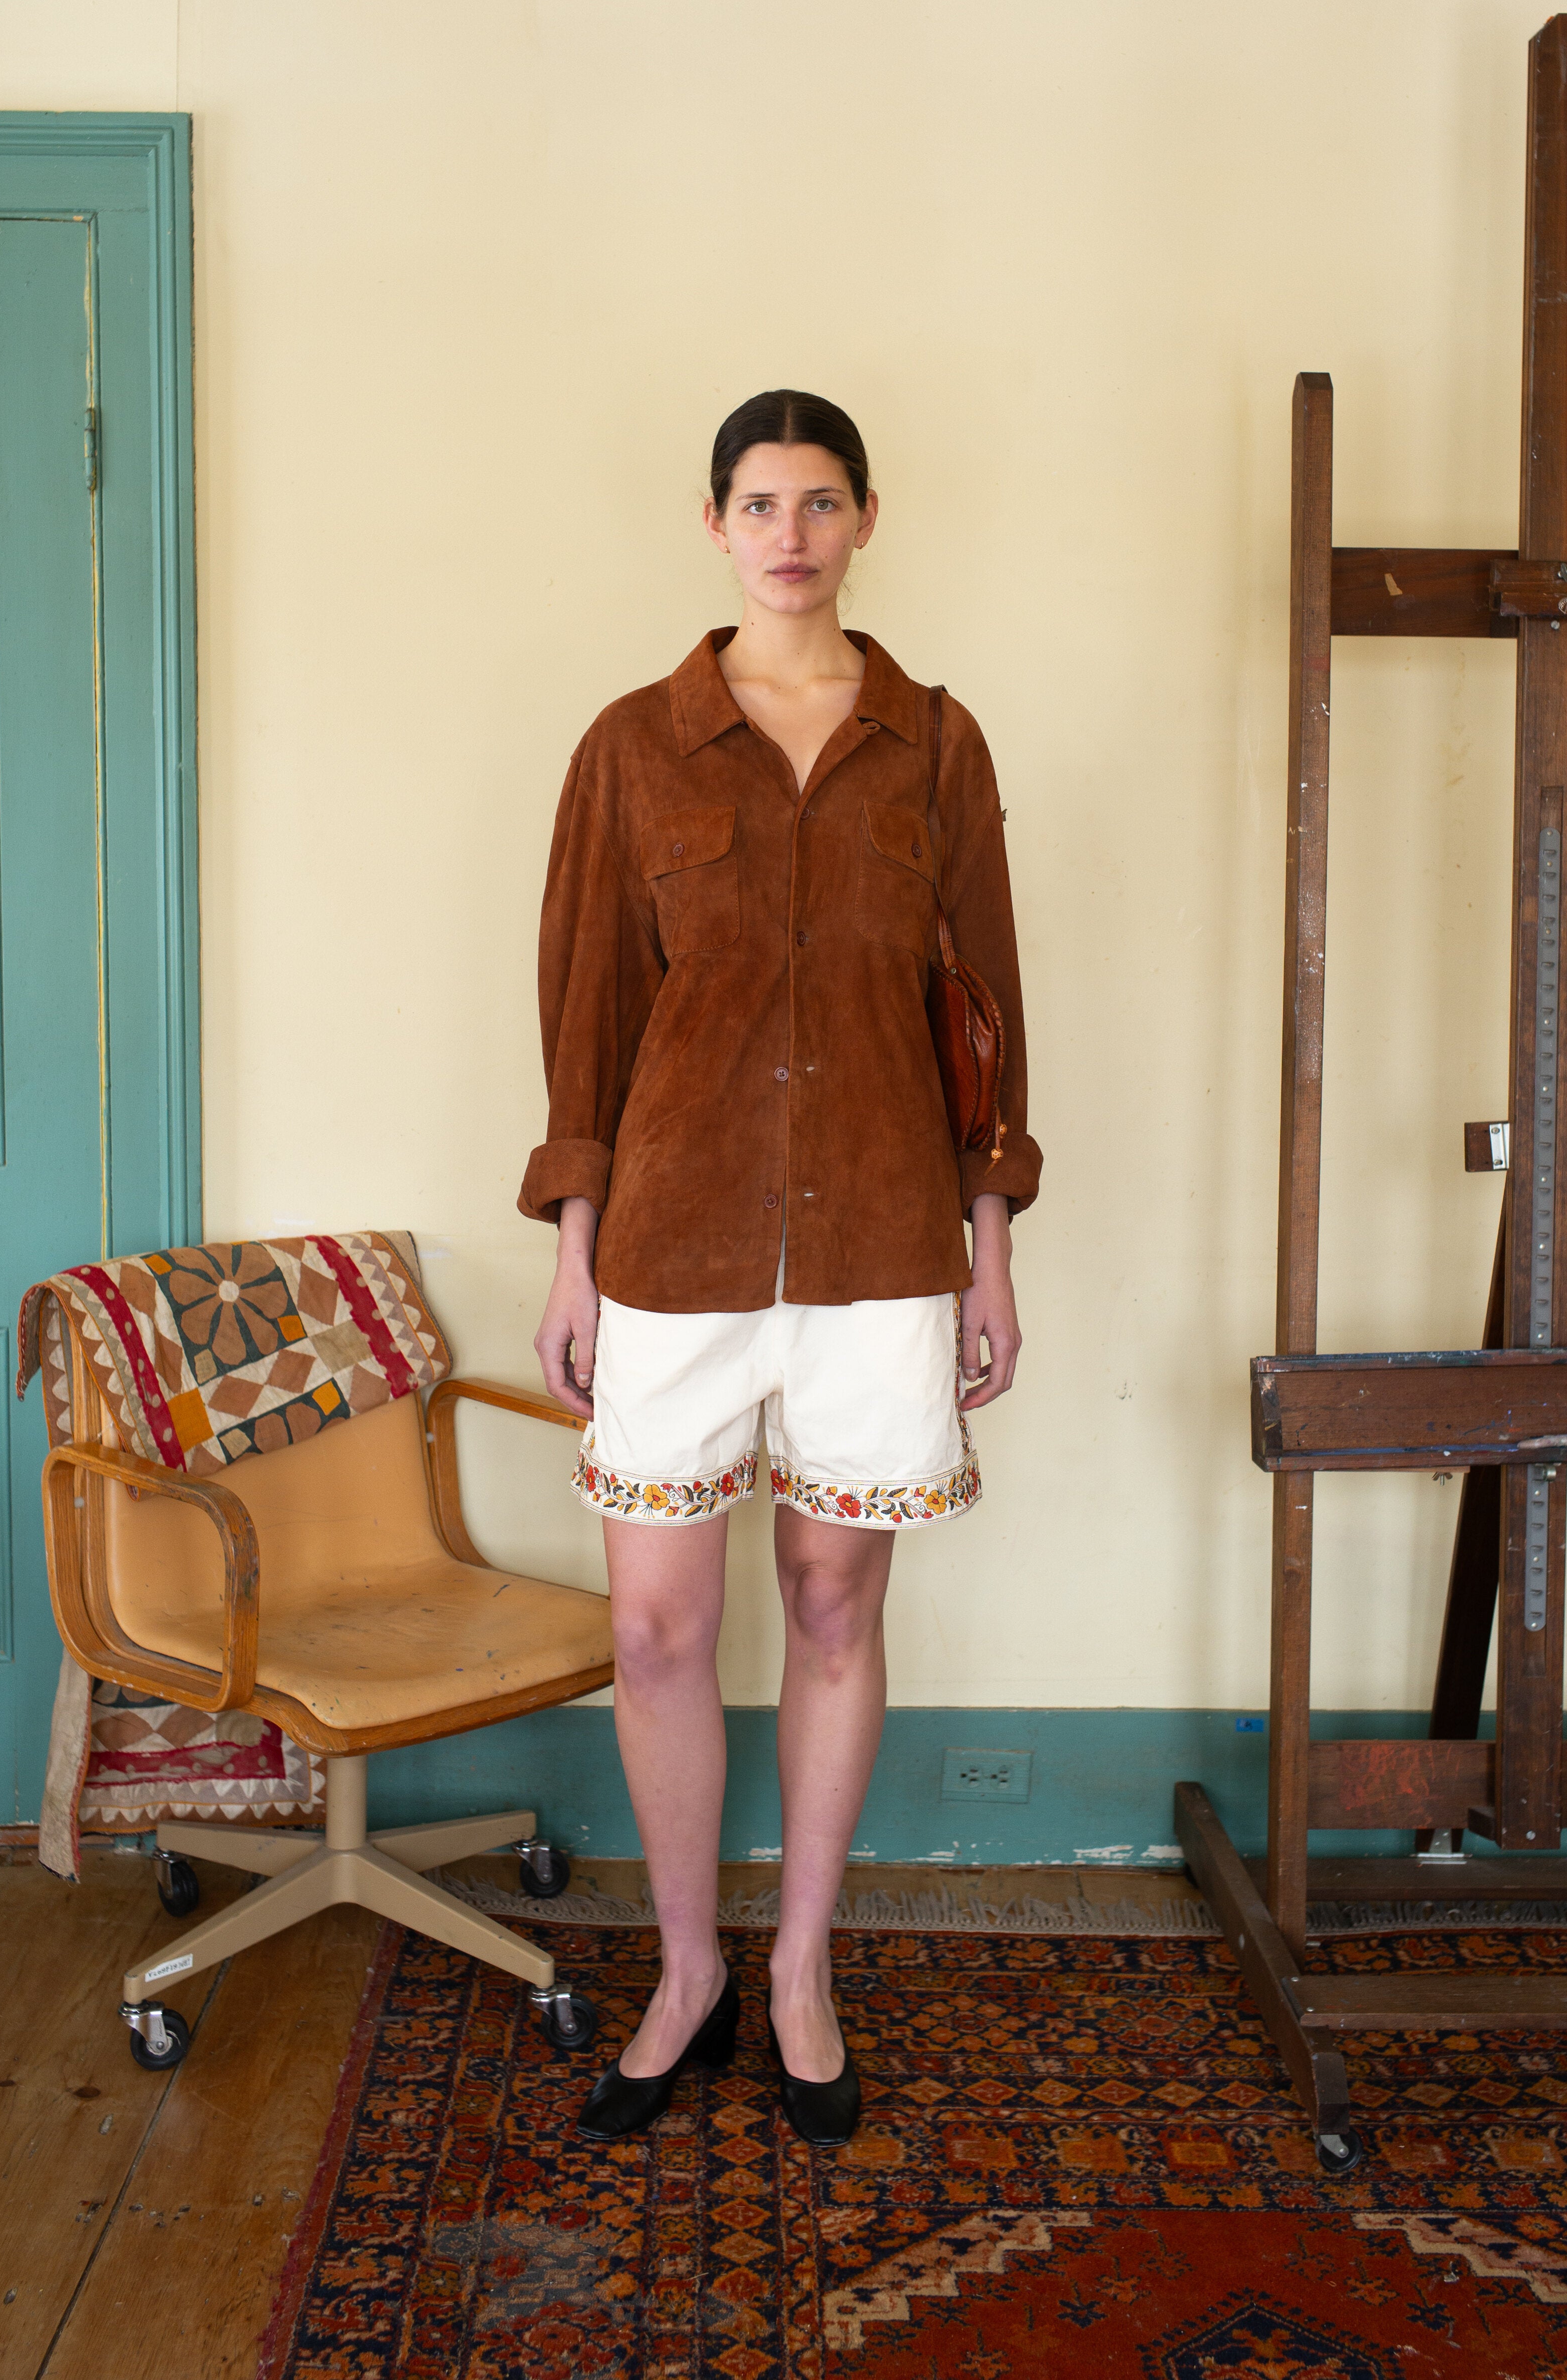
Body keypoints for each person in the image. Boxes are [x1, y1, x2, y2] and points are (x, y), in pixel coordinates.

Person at [518, 389, 1041, 2146]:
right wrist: (578, 1256)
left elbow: (983, 1012)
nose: (791, 534)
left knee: (832, 1607)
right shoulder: (633, 748)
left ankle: (802, 1969)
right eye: (761, 502)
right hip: (674, 1243)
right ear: (716, 522)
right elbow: (589, 1017)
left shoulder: (935, 744)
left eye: (822, 502)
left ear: (866, 518)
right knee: (657, 1626)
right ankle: (688, 1973)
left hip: (884, 1247)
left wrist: (987, 1249)